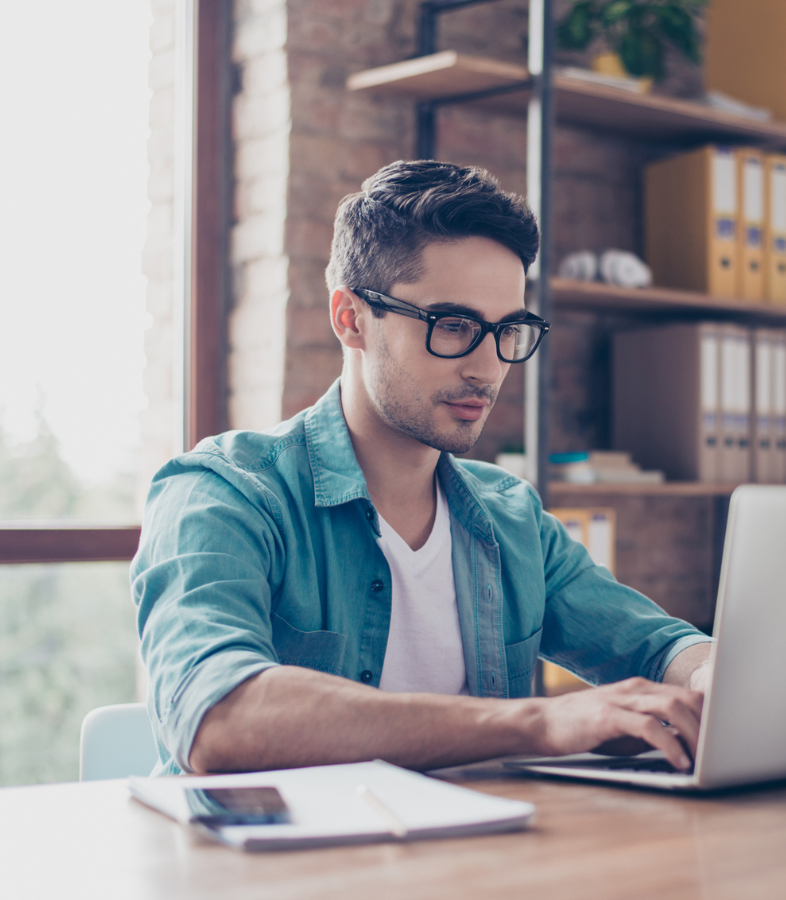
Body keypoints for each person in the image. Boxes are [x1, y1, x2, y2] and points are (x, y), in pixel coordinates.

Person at [132, 160, 713, 777]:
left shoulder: (511, 516)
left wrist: (711, 676)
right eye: (454, 325)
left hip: (475, 859)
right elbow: (217, 719)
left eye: (508, 331)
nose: (488, 368)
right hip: (276, 868)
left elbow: (657, 646)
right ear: (350, 319)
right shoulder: (222, 494)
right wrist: (539, 724)